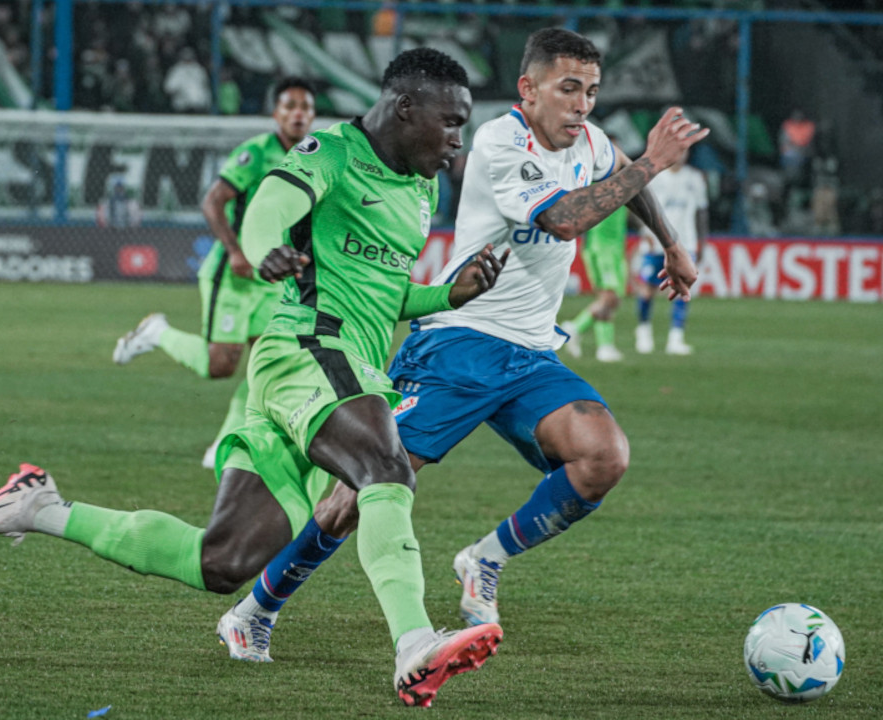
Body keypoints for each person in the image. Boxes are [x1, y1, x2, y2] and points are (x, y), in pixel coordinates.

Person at [0, 48, 509, 708]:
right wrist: (264, 243)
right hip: (309, 351)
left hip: (321, 369)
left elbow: (383, 293)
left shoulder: (421, 185)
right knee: (385, 468)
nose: (457, 142)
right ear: (406, 109)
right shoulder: (332, 151)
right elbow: (272, 198)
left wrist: (447, 296)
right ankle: (413, 641)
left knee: (223, 562)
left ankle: (40, 508)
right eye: (451, 123)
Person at [219, 27, 706, 662]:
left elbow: (619, 173)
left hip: (530, 353)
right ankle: (256, 608)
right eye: (568, 89)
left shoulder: (587, 141)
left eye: (591, 90)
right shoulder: (499, 140)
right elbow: (563, 218)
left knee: (603, 456)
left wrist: (671, 241)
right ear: (529, 90)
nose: (583, 104)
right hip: (458, 344)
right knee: (363, 493)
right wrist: (653, 161)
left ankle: (484, 559)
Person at [112, 77, 316, 469]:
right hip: (235, 275)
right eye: (289, 106)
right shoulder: (256, 153)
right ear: (276, 113)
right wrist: (235, 251)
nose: (298, 114)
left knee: (266, 364)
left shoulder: (312, 156)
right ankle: (158, 332)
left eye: (305, 107)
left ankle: (226, 442)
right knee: (220, 366)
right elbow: (213, 201)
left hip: (274, 279)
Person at [633, 157, 709, 355]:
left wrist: (702, 240)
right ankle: (643, 331)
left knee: (682, 290)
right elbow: (637, 204)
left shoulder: (695, 178)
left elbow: (702, 212)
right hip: (655, 242)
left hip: (686, 244)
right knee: (648, 290)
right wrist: (643, 231)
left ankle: (676, 338)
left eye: (687, 150)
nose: (683, 154)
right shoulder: (654, 176)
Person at [560, 199, 630, 362]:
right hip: (602, 247)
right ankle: (575, 327)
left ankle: (604, 346)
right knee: (610, 297)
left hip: (613, 245)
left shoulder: (622, 183)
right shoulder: (601, 180)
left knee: (611, 299)